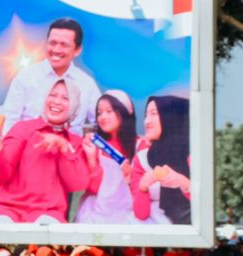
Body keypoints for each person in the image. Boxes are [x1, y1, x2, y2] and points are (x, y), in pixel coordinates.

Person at [0, 80, 90, 223]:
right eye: (53, 95)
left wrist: (63, 147)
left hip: (47, 213)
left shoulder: (74, 142)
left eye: (65, 98)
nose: (57, 101)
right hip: (5, 208)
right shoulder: (23, 128)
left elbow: (77, 184)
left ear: (74, 106)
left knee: (46, 239)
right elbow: (2, 174)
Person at [0, 17, 100, 133]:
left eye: (64, 45)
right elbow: (9, 119)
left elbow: (102, 122)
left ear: (77, 50)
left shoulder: (86, 84)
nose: (56, 49)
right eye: (52, 43)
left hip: (70, 149)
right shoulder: (27, 76)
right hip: (28, 147)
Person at [76, 90, 139, 224]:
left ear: (125, 112)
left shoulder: (140, 145)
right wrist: (92, 159)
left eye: (109, 111)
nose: (103, 117)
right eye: (99, 113)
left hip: (129, 216)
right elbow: (93, 189)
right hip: (96, 215)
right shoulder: (94, 145)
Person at [133, 96, 193, 225]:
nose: (146, 122)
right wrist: (143, 187)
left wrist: (185, 184)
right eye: (146, 115)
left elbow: (207, 205)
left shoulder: (193, 155)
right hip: (154, 233)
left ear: (171, 116)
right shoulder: (143, 158)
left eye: (154, 114)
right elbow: (140, 215)